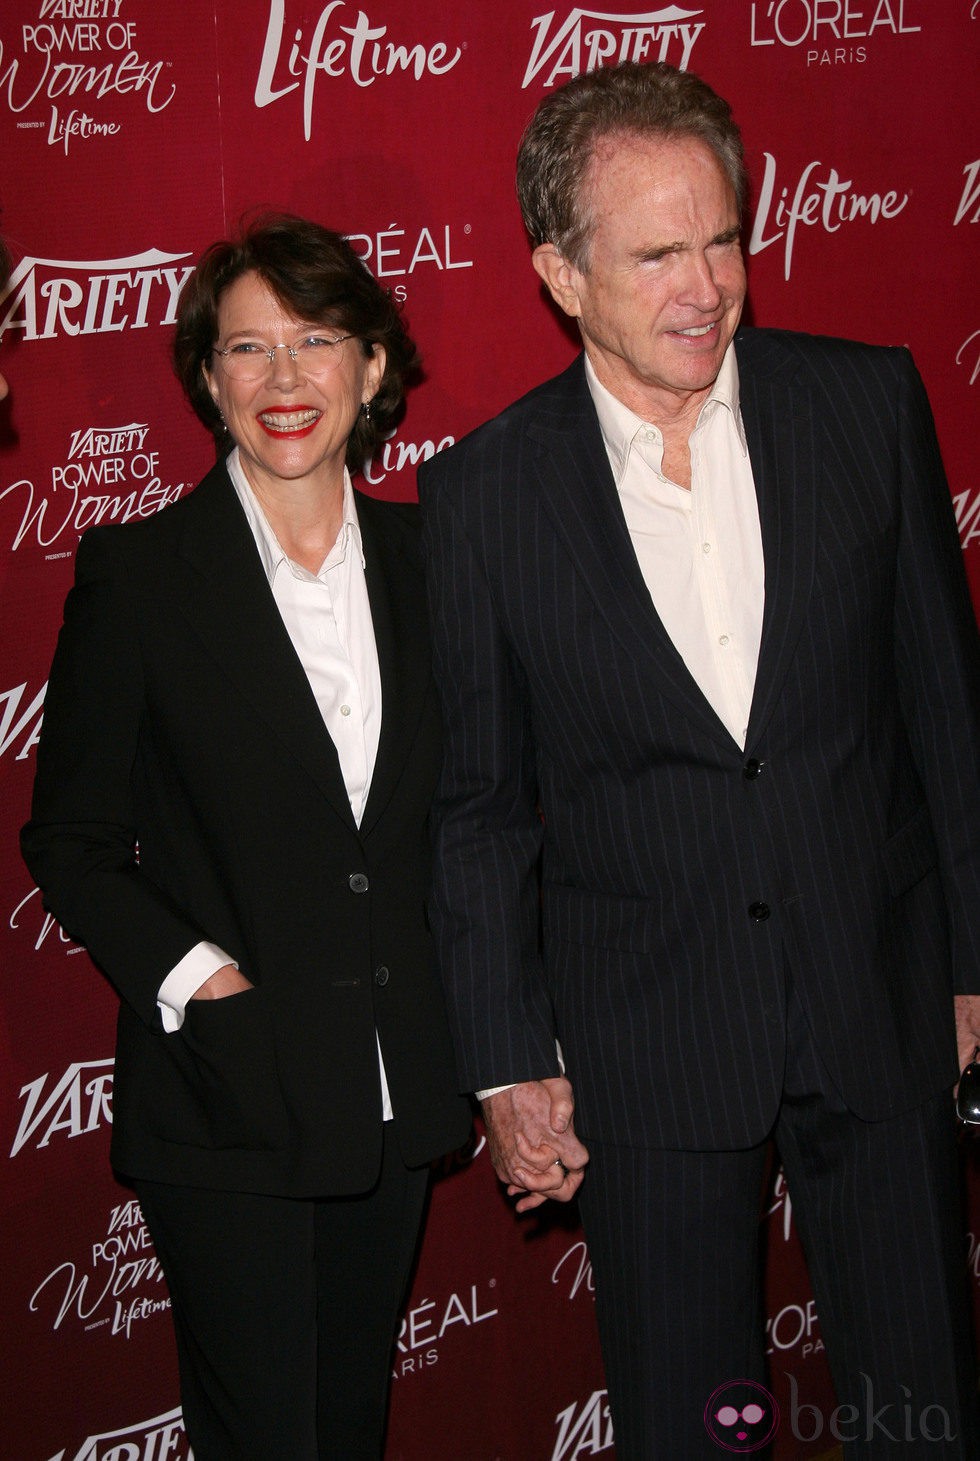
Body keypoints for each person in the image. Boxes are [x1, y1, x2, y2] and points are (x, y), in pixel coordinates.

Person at [419, 62, 980, 1457]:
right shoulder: (485, 492)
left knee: (927, 1408)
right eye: (658, 252)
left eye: (724, 238)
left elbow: (947, 712)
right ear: (558, 270)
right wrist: (505, 1058)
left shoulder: (866, 407)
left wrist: (974, 962)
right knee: (694, 1425)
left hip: (886, 996)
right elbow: (483, 808)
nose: (706, 287)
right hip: (649, 1040)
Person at [22, 213, 470, 1460]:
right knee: (265, 1438)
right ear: (207, 381)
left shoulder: (438, 564)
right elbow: (69, 837)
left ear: (373, 367)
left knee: (350, 1421)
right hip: (226, 1098)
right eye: (247, 350)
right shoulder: (143, 576)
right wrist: (199, 981)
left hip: (391, 1085)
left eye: (317, 340)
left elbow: (463, 823)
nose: (285, 382)